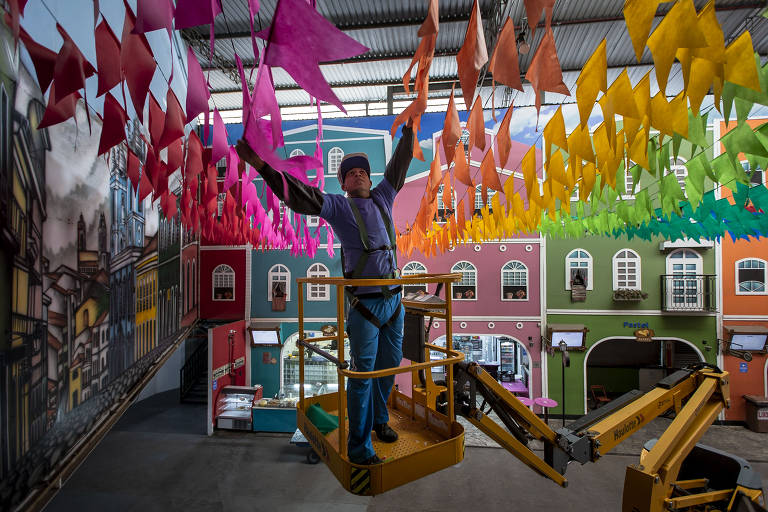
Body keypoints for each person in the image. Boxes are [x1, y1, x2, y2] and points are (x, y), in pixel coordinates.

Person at [236, 121, 414, 466]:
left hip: (395, 301)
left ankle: (379, 421)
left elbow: (400, 165)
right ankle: (360, 445)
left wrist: (409, 132)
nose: (359, 175)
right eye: (351, 173)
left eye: (363, 170)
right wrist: (261, 166)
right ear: (343, 184)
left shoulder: (383, 197)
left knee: (389, 365)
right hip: (365, 307)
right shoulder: (338, 206)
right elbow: (300, 194)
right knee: (362, 375)